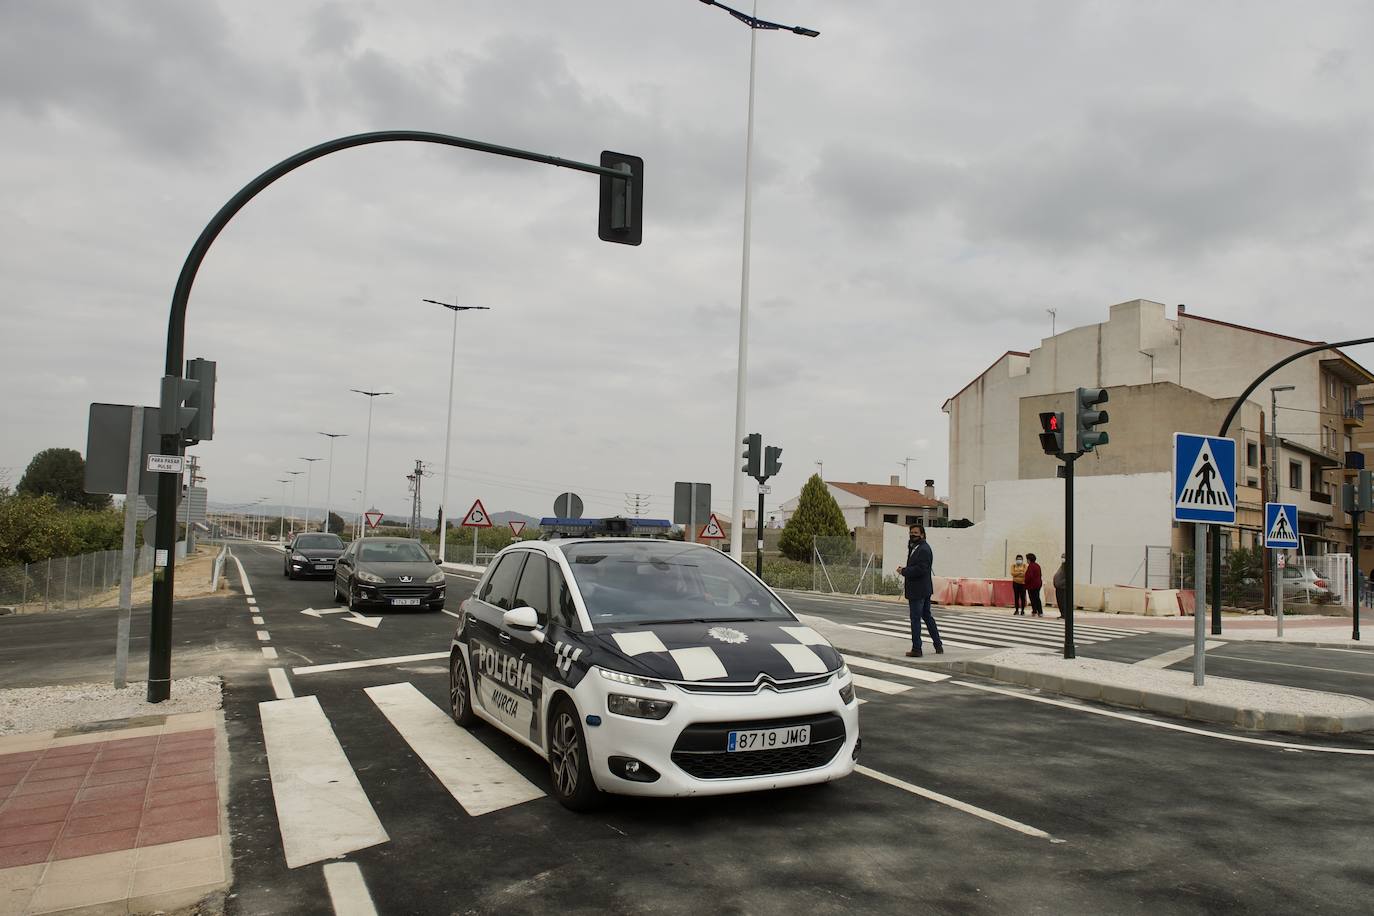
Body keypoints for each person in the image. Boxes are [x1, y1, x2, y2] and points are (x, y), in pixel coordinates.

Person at [896, 524, 943, 657]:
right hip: (923, 589)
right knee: (927, 617)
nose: (913, 535)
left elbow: (921, 569)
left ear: (922, 535)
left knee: (916, 619)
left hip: (919, 590)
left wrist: (904, 571)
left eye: (916, 532)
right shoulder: (915, 547)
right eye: (911, 532)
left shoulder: (923, 549)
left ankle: (917, 649)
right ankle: (938, 645)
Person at [1024, 552, 1044, 617]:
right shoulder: (1037, 565)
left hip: (1032, 585)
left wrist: (1025, 582)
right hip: (1038, 584)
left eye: (1027, 559)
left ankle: (1035, 611)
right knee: (1037, 598)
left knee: (1033, 598)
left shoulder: (1031, 566)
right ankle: (1039, 611)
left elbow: (1029, 576)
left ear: (1029, 559)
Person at [1053, 554, 1068, 619]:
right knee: (1060, 601)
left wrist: (1061, 583)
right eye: (1062, 557)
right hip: (1059, 587)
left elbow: (1067, 577)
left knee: (1062, 601)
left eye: (1064, 557)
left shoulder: (1066, 566)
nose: (1062, 558)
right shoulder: (1062, 566)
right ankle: (1062, 614)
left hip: (1062, 587)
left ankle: (1064, 614)